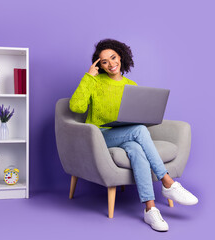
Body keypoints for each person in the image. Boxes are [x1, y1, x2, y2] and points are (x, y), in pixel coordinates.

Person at [69, 39, 198, 231]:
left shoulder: (131, 85)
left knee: (137, 149)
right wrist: (88, 77)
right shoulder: (94, 81)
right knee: (139, 131)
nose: (111, 64)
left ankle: (150, 210)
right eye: (104, 61)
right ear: (99, 64)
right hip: (100, 136)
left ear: (121, 56)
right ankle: (168, 182)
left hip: (125, 134)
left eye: (113, 58)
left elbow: (135, 116)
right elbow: (75, 106)